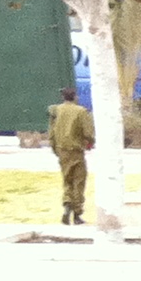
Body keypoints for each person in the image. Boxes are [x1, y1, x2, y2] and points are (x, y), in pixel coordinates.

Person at [46, 87, 92, 225]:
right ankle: (77, 213)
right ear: (75, 97)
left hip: (62, 150)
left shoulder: (56, 111)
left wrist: (55, 148)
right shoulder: (81, 111)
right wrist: (90, 141)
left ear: (63, 97)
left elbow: (51, 132)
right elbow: (88, 132)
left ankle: (67, 205)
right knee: (79, 181)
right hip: (76, 150)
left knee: (67, 180)